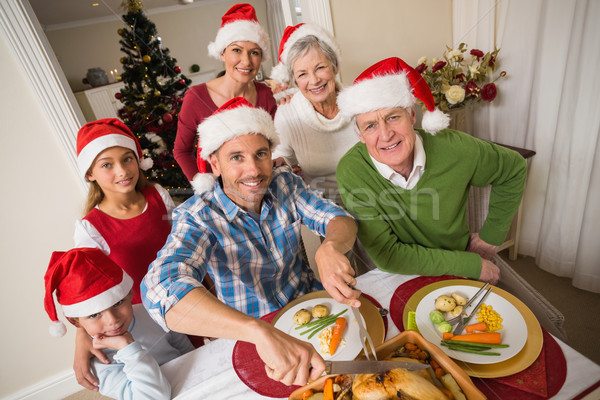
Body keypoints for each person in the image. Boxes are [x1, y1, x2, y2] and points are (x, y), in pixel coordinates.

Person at [142, 97, 360, 386]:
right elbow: (160, 288)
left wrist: (329, 246)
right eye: (236, 157)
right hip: (250, 334)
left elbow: (338, 219)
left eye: (261, 154)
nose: (254, 170)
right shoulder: (197, 216)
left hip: (313, 305)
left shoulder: (285, 183)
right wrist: (257, 331)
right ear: (215, 164)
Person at [336, 57, 527, 284]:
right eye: (371, 125)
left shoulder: (454, 147)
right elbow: (388, 255)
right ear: (360, 136)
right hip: (397, 274)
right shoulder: (352, 171)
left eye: (393, 117)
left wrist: (492, 235)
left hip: (456, 266)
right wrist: (470, 264)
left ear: (412, 115)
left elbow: (513, 168)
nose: (386, 135)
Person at [72, 118, 176, 391]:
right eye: (107, 164)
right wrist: (82, 337)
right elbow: (87, 290)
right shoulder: (90, 228)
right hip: (143, 320)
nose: (122, 171)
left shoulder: (158, 195)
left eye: (127, 159)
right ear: (90, 173)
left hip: (184, 297)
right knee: (166, 381)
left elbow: (184, 243)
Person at [44, 248, 194, 400]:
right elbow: (154, 397)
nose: (112, 320)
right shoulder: (98, 361)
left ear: (129, 294)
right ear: (75, 322)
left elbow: (190, 353)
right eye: (94, 315)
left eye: (118, 303)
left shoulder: (152, 312)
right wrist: (127, 347)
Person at [174, 3, 277, 185]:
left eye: (254, 52)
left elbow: (273, 145)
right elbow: (181, 151)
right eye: (236, 50)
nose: (246, 61)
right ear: (222, 53)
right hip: (218, 189)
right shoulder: (196, 97)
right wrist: (202, 182)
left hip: (258, 184)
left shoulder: (265, 94)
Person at [270, 23, 358, 203]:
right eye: (302, 74)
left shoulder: (359, 102)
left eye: (320, 68)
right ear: (294, 80)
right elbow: (282, 158)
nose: (314, 80)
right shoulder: (288, 114)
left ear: (334, 67)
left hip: (377, 201)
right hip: (328, 209)